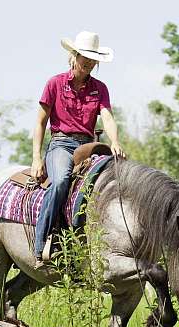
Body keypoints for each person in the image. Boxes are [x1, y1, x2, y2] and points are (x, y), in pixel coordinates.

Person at [31, 31, 125, 268]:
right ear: (74, 55)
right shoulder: (54, 83)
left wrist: (115, 141)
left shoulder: (100, 88)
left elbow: (107, 118)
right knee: (61, 180)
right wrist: (36, 158)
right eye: (85, 57)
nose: (89, 63)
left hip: (89, 146)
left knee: (110, 183)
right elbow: (41, 122)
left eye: (94, 59)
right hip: (61, 144)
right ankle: (40, 243)